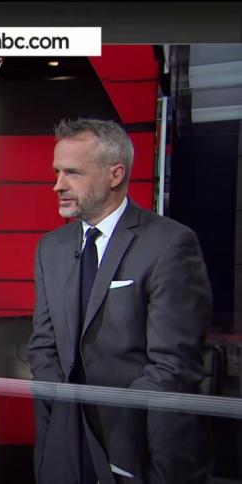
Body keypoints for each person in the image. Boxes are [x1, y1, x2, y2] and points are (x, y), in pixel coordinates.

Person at [27, 118, 213, 482]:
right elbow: (43, 347)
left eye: (73, 173)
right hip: (63, 447)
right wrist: (59, 433)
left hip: (139, 447)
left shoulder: (169, 243)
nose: (57, 185)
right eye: (57, 172)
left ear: (115, 174)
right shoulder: (51, 248)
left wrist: (122, 433)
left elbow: (173, 366)